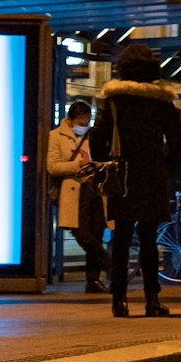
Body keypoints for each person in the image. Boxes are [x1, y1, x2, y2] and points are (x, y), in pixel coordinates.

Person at [90, 44, 181, 317]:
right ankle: (152, 300)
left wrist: (107, 163)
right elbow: (178, 142)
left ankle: (119, 300)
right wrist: (167, 169)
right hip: (153, 175)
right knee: (149, 239)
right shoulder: (161, 101)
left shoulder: (112, 101)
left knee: (121, 238)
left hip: (122, 176)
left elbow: (97, 139)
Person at [48, 99, 109, 292]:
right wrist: (77, 165)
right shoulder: (56, 136)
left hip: (95, 189)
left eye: (86, 121)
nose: (84, 126)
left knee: (97, 233)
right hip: (73, 191)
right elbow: (52, 166)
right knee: (82, 234)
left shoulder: (94, 136)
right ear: (70, 119)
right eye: (81, 121)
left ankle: (93, 280)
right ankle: (110, 264)